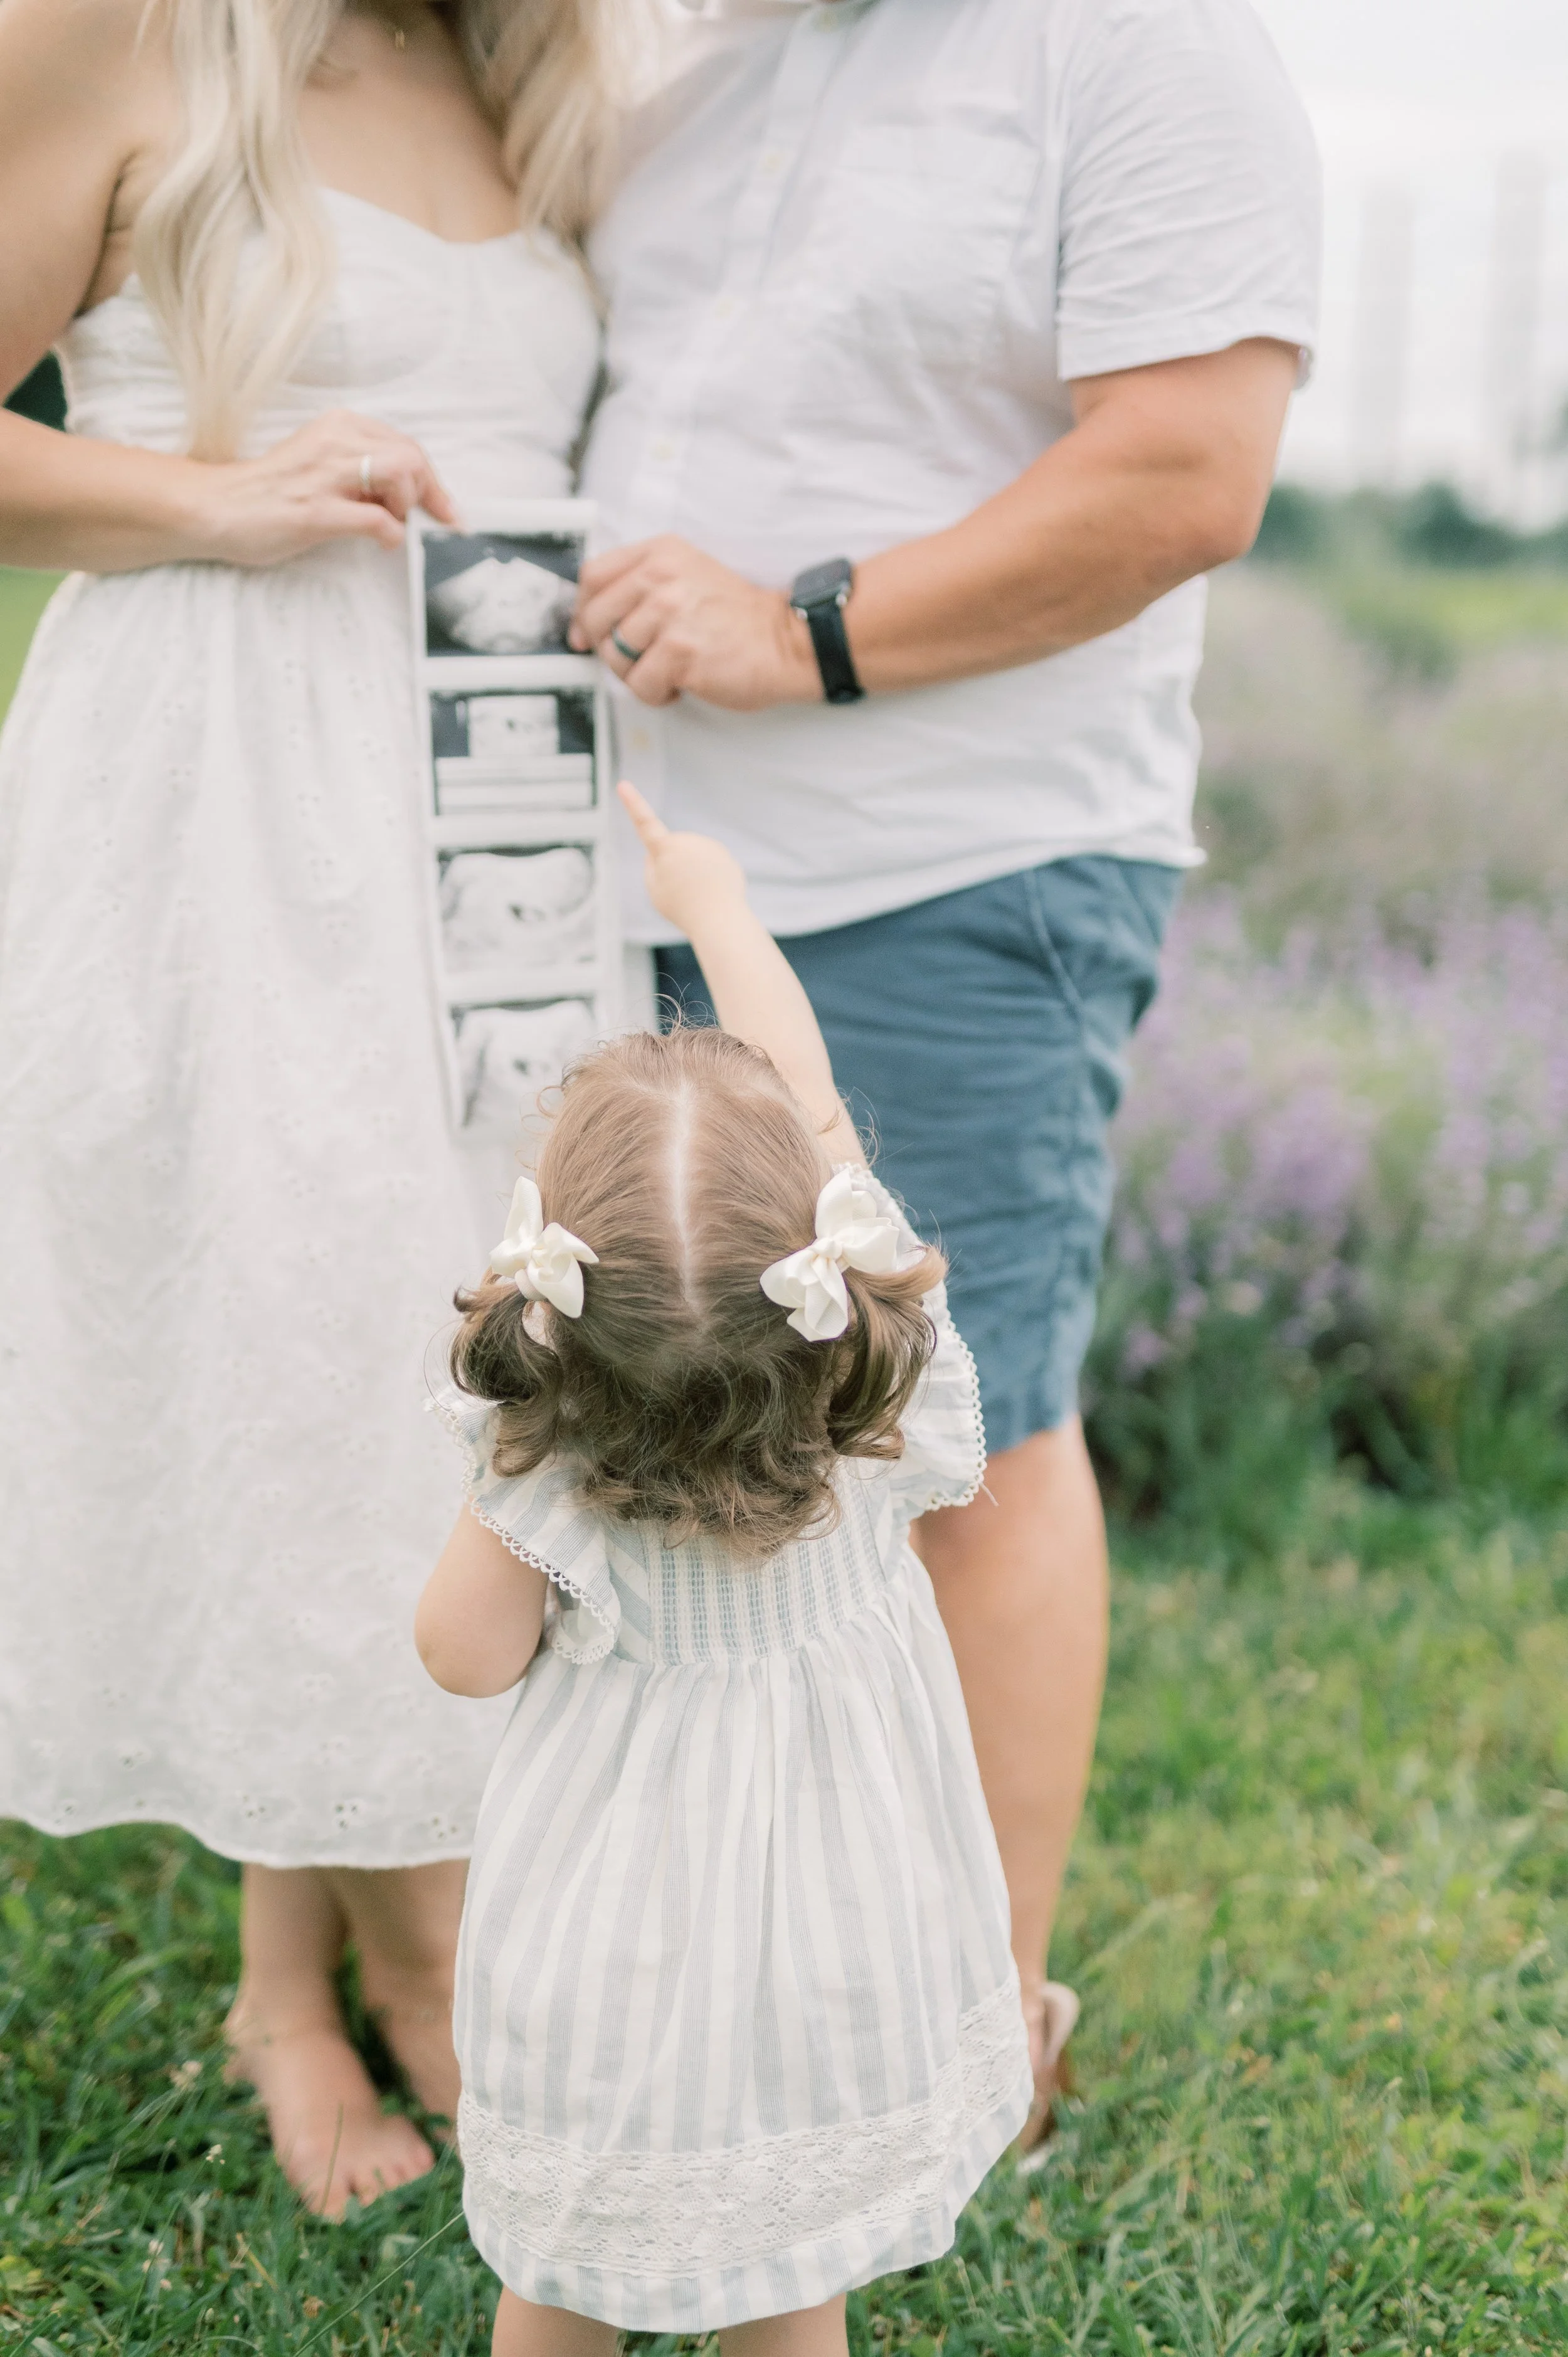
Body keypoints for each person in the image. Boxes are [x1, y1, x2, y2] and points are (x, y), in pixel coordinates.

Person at [571, 0, 1322, 2145]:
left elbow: (1186, 466)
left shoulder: (1146, 45)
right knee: (667, 1412)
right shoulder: (705, 58)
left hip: (952, 861)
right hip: (634, 861)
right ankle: (730, 1947)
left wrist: (801, 633)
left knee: (960, 1428)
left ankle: (977, 2022)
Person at [0, 0, 638, 2215]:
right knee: (304, 1340)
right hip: (224, 779)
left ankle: (368, 1938)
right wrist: (215, 493)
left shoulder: (537, 68)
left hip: (505, 794)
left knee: (469, 1351)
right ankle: (371, 1970)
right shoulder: (102, 36)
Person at [416, 780, 1032, 2357]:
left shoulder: (550, 1473)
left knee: (559, 2276)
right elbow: (807, 1094)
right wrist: (718, 907)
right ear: (813, 1244)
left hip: (611, 1943)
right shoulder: (877, 1390)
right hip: (833, 1932)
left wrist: (499, 1459)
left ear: (554, 1293)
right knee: (786, 2276)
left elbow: (459, 1655)